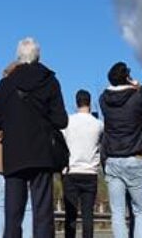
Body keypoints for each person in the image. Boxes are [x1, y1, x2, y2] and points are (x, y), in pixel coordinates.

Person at [0, 37, 68, 238]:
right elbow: (61, 120)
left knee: (13, 213)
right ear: (38, 56)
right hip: (42, 153)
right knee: (42, 212)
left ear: (18, 56)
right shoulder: (50, 81)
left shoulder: (5, 84)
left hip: (14, 154)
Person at [100, 62, 142, 238]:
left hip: (113, 160)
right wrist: (141, 88)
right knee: (140, 212)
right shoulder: (137, 98)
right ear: (127, 77)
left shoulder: (103, 99)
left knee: (118, 213)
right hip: (135, 159)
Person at [0, 66, 33, 238]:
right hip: (24, 153)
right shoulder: (28, 92)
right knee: (27, 204)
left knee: (0, 204)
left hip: (1, 154)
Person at [61, 90, 102, 238]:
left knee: (70, 215)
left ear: (76, 102)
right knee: (87, 215)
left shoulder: (67, 122)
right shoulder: (98, 124)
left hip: (71, 171)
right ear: (89, 103)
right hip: (90, 172)